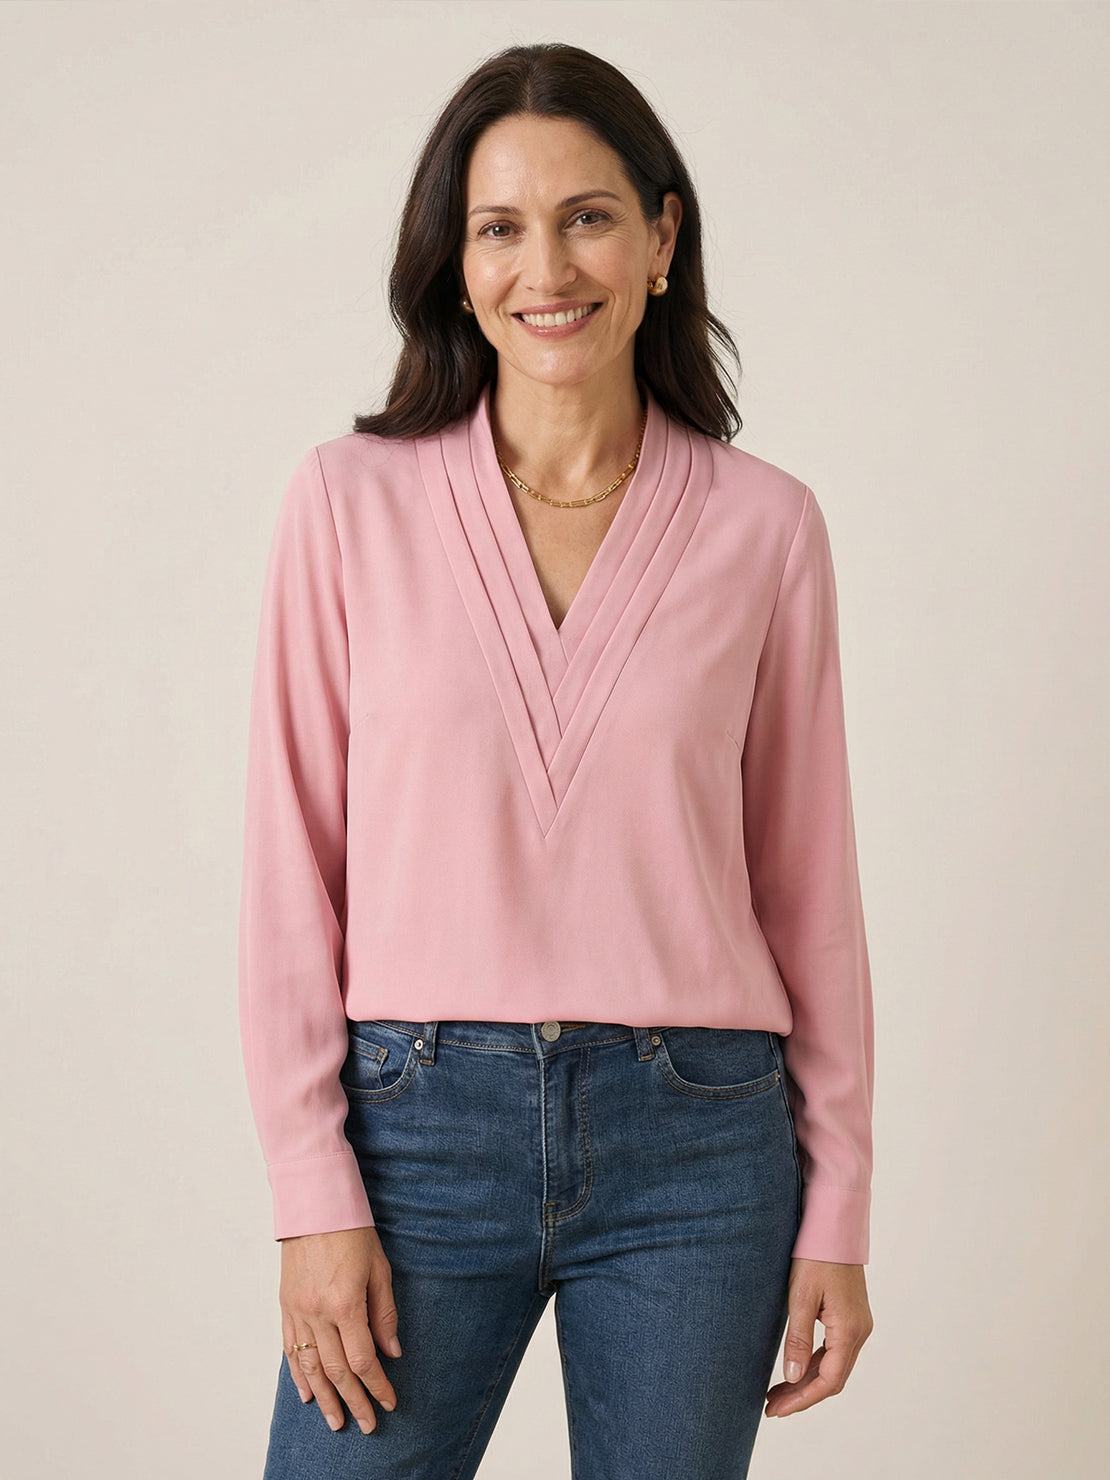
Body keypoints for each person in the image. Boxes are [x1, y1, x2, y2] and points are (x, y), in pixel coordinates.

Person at [238, 41, 875, 1480]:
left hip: (697, 1146)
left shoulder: (766, 529)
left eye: (587, 217)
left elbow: (811, 892)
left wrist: (837, 1206)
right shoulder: (346, 505)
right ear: (455, 264)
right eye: (500, 227)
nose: (547, 267)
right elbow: (292, 870)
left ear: (660, 239)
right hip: (413, 1138)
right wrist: (309, 1190)